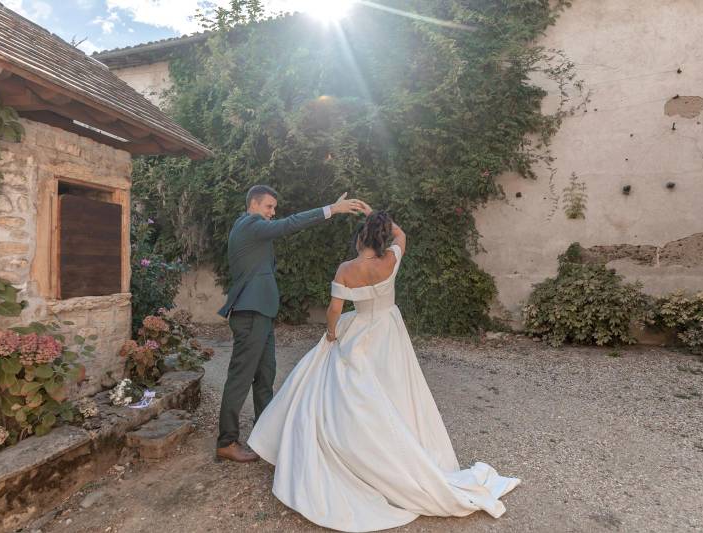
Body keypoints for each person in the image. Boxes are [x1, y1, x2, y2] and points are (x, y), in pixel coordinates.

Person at [247, 207, 520, 531]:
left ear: (360, 238)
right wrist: (385, 221)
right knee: (395, 388)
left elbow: (335, 310)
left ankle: (355, 452)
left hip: (360, 329)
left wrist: (332, 334)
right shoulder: (391, 258)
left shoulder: (347, 269)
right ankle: (402, 442)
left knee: (338, 382)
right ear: (381, 236)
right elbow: (401, 236)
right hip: (389, 331)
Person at [215, 185, 365, 462]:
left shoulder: (253, 229)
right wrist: (331, 209)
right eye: (269, 207)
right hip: (249, 314)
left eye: (274, 208)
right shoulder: (250, 224)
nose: (273, 213)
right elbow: (290, 225)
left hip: (261, 312)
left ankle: (265, 435)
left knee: (265, 376)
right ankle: (226, 441)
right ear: (254, 205)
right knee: (241, 377)